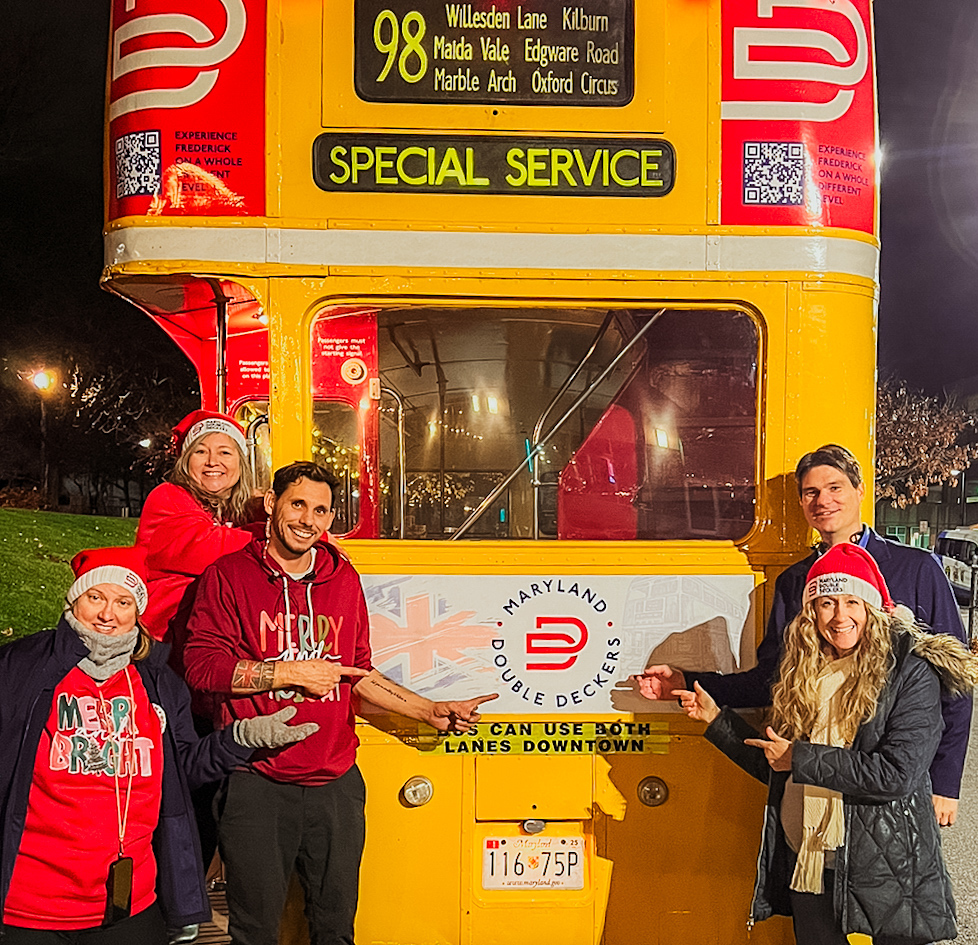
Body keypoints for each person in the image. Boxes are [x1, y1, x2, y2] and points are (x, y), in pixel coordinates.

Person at [182, 461, 498, 945]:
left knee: (335, 928)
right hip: (255, 780)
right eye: (298, 505)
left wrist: (425, 709)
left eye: (322, 510)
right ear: (272, 504)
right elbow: (202, 669)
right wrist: (289, 672)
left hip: (335, 782)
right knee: (254, 932)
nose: (308, 520)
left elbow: (357, 672)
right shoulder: (228, 576)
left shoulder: (342, 579)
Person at [634, 443, 973, 825]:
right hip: (816, 776)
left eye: (835, 487)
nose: (823, 500)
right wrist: (689, 681)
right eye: (811, 492)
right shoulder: (794, 582)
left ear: (860, 491)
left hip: (891, 782)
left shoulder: (917, 568)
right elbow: (772, 679)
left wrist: (945, 783)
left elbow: (955, 681)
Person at [0, 546, 316, 945]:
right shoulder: (20, 666)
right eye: (95, 597)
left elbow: (183, 770)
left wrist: (243, 738)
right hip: (31, 908)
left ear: (137, 612)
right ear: (74, 600)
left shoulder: (158, 684)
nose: (107, 614)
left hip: (128, 905)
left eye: (122, 602)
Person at [672, 543, 977, 945]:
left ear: (872, 607)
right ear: (810, 613)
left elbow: (896, 774)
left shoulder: (910, 671)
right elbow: (778, 766)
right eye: (826, 603)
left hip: (884, 865)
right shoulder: (800, 672)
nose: (839, 616)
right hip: (809, 861)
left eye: (852, 601)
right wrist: (715, 720)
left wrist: (799, 757)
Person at [135, 410, 257, 649]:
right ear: (185, 461)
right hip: (165, 641)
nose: (213, 461)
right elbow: (208, 548)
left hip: (214, 639)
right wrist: (280, 541)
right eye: (201, 451)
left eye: (225, 452)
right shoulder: (167, 497)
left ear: (240, 462)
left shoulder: (236, 509)